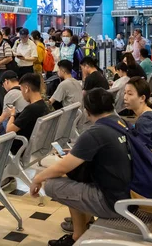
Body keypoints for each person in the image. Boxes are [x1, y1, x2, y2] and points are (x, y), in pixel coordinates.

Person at [30, 88, 131, 246]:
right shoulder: (122, 123)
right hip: (128, 194)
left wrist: (37, 178)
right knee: (75, 180)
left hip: (112, 203)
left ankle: (78, 236)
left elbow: (62, 167)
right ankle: (83, 224)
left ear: (87, 111)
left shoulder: (96, 132)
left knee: (53, 185)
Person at [6, 73, 50, 154]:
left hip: (21, 147)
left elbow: (9, 130)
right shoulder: (43, 105)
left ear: (26, 89)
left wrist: (12, 114)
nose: (22, 94)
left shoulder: (31, 109)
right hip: (36, 145)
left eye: (21, 90)